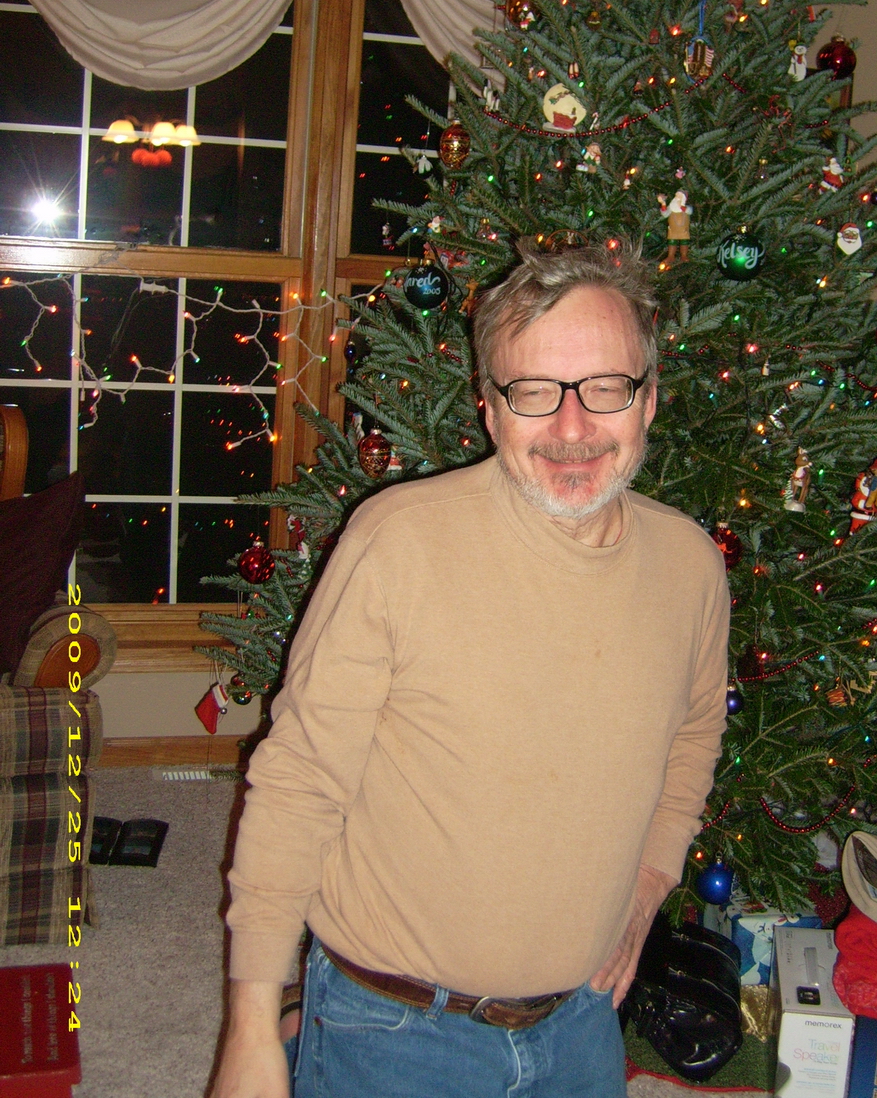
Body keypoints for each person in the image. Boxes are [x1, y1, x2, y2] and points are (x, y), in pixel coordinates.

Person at [212, 239, 730, 1098]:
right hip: (394, 1026)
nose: (572, 428)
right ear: (490, 408)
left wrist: (648, 884)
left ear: (648, 399)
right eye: (534, 391)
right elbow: (299, 779)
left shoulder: (691, 567)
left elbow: (694, 734)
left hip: (581, 1020)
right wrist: (250, 1028)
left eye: (605, 386)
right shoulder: (399, 542)